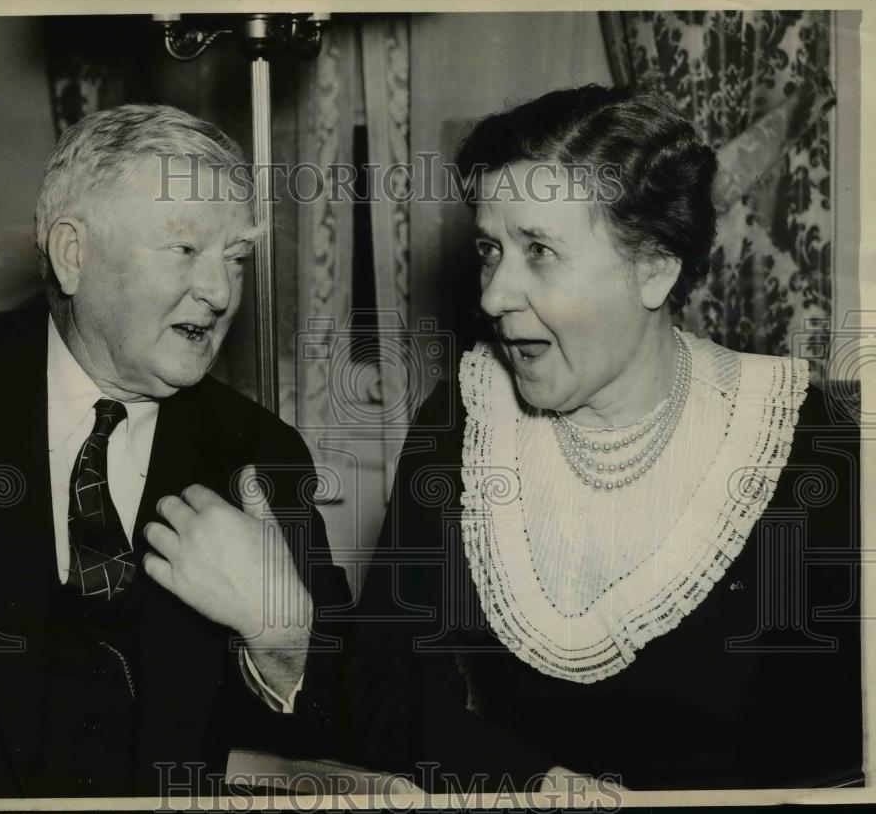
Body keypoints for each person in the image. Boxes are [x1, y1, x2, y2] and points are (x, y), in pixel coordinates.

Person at [343, 85, 862, 791]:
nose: (494, 295)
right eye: (492, 249)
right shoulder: (462, 420)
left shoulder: (806, 436)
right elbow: (382, 686)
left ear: (653, 269)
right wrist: (527, 781)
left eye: (539, 250)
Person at [0, 104, 350, 799]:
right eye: (185, 249)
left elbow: (347, 726)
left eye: (235, 258)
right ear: (74, 255)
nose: (220, 292)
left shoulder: (260, 455)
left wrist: (280, 634)